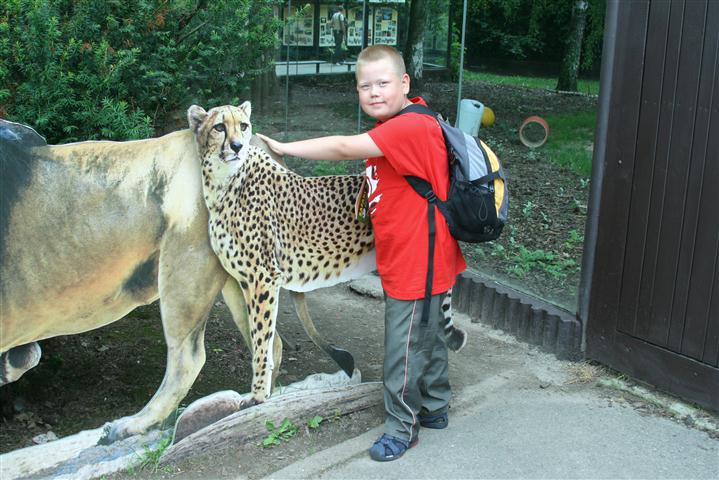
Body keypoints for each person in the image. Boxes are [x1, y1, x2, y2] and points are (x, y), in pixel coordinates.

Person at [257, 44, 466, 462]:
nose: (373, 92)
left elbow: (342, 148)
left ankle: (402, 428)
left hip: (417, 260)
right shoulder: (405, 121)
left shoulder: (408, 127)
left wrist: (285, 148)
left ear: (404, 82)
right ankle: (436, 404)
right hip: (424, 253)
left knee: (402, 346)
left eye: (382, 83)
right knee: (427, 333)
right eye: (364, 86)